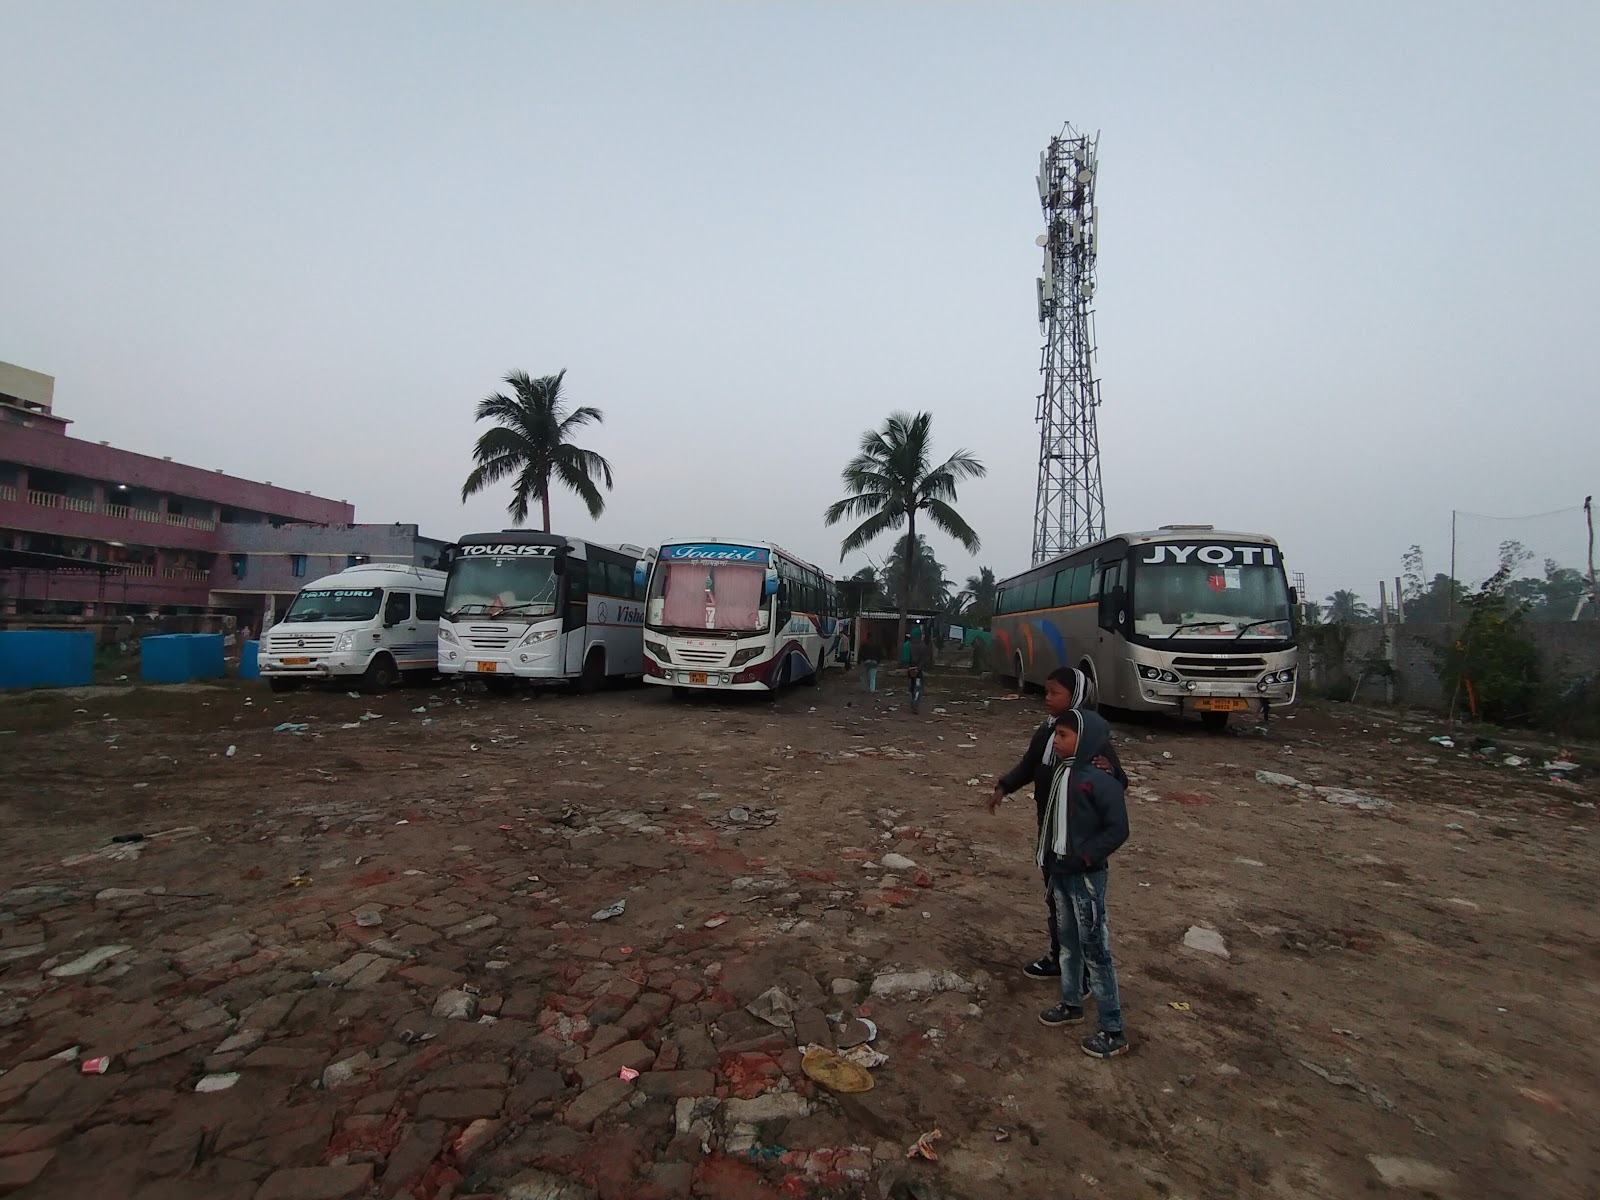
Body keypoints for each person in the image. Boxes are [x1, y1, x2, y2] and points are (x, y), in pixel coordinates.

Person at [988, 667, 1125, 982]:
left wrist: (1112, 772)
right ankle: (1060, 958)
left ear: (1075, 696)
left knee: (1080, 905)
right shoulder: (1047, 731)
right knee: (1055, 896)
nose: (1047, 698)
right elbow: (1029, 765)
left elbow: (1119, 782)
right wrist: (1004, 787)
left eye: (1055, 693)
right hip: (1050, 828)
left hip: (1080, 837)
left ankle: (1085, 973)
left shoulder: (1090, 737)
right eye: (1047, 691)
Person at [1031, 710, 1130, 1057]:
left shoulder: (1100, 781)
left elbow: (1118, 830)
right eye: (1055, 734)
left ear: (1085, 739)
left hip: (1085, 877)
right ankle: (1071, 1002)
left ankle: (1113, 1029)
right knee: (1069, 943)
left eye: (1063, 735)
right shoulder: (1063, 773)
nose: (1056, 741)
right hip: (1061, 871)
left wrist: (1085, 857)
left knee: (1095, 951)